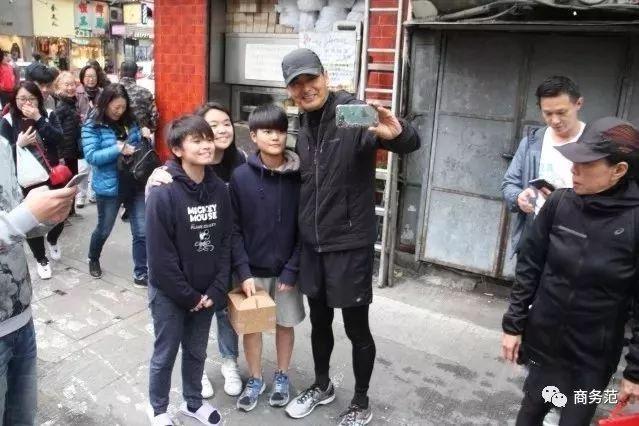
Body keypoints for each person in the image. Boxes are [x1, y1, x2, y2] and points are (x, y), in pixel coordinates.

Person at [279, 48, 420, 425]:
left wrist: (399, 133)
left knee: (357, 328)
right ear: (290, 90)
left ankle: (360, 401)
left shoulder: (349, 112)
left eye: (311, 79)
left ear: (325, 76)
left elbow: (402, 139)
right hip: (313, 246)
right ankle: (322, 385)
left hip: (349, 246)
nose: (306, 88)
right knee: (320, 323)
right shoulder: (302, 124)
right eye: (297, 83)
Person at [501, 117, 639, 425]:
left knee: (574, 418)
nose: (573, 170)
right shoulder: (560, 203)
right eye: (574, 161)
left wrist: (635, 373)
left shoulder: (634, 221)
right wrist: (513, 325)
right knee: (530, 414)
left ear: (619, 170)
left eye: (586, 164)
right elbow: (529, 268)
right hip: (546, 344)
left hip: (592, 357)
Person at [147, 102, 244, 399]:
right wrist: (189, 296)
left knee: (196, 350)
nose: (208, 144)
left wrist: (215, 290)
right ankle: (159, 408)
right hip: (172, 291)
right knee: (165, 353)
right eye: (199, 139)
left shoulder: (226, 179)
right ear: (178, 148)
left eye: (209, 139)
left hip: (209, 286)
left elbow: (225, 238)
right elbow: (160, 256)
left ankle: (195, 400)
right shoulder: (164, 188)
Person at [231, 104, 305, 412]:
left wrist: (292, 268)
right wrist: (243, 271)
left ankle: (282, 375)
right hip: (252, 270)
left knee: (285, 324)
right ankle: (256, 378)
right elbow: (234, 229)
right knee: (252, 327)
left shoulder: (299, 176)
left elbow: (304, 228)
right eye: (267, 131)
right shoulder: (240, 177)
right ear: (253, 136)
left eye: (281, 131)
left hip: (287, 270)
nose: (275, 137)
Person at [0, 133, 76, 426]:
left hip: (20, 316)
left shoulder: (3, 146)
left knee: (22, 418)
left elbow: (14, 217)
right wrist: (25, 216)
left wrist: (45, 216)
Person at [502, 76, 585, 255]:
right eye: (548, 113)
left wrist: (565, 202)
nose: (555, 120)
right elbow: (509, 184)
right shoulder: (531, 143)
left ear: (578, 104)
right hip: (534, 235)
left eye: (561, 112)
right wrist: (518, 198)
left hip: (576, 240)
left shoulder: (593, 144)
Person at [81, 83, 148, 287]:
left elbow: (138, 145)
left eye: (123, 107)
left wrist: (145, 138)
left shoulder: (130, 120)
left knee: (142, 231)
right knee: (104, 229)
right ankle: (93, 258)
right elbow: (92, 156)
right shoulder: (93, 125)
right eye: (115, 107)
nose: (119, 111)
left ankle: (141, 273)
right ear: (105, 104)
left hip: (135, 181)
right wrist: (117, 149)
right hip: (110, 185)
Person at [0, 81, 66, 280]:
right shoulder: (8, 121)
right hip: (26, 180)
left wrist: (38, 118)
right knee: (33, 221)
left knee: (59, 215)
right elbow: (3, 154)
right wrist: (18, 144)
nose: (27, 103)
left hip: (51, 174)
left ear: (39, 99)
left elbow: (59, 139)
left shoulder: (48, 114)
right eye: (22, 99)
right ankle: (41, 258)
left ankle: (52, 239)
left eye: (31, 98)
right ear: (14, 100)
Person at [54, 71, 83, 217]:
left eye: (72, 84)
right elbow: (57, 130)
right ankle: (64, 214)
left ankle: (70, 211)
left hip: (72, 149)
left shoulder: (71, 103)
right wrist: (60, 155)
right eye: (67, 85)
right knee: (67, 182)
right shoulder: (61, 105)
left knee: (72, 180)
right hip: (65, 151)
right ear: (58, 86)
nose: (70, 88)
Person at [75, 64, 102, 208]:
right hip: (82, 134)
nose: (91, 79)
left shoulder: (102, 93)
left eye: (93, 76)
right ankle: (81, 195)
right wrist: (88, 115)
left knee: (96, 165)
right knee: (83, 168)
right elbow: (75, 115)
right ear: (82, 78)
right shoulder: (76, 93)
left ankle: (93, 193)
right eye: (88, 76)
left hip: (98, 133)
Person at [119, 60, 158, 138]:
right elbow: (154, 115)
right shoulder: (145, 93)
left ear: (120, 73)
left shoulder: (111, 91)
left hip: (115, 138)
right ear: (136, 74)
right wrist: (149, 129)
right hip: (140, 137)